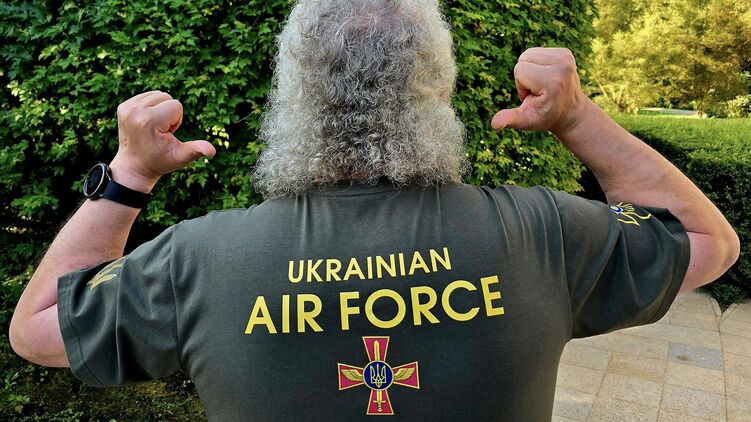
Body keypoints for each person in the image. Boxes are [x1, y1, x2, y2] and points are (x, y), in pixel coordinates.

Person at [9, 0, 739, 420]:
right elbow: (706, 242)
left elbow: (38, 331)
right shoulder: (536, 232)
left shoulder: (201, 259)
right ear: (438, 86)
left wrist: (129, 174)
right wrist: (576, 117)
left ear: (291, 91)